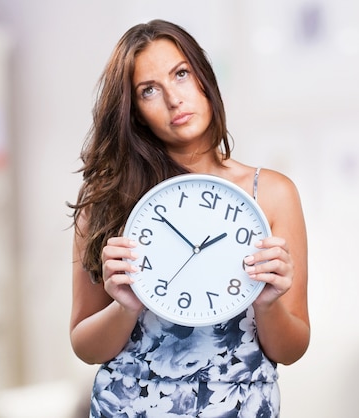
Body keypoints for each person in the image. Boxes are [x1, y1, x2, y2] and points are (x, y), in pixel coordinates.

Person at [68, 19, 309, 418]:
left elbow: (293, 348)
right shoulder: (107, 200)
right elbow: (83, 344)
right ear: (136, 112)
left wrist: (268, 305)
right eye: (149, 90)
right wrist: (124, 307)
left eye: (180, 74)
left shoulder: (272, 194)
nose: (174, 99)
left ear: (203, 76)